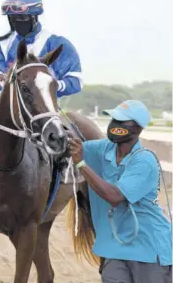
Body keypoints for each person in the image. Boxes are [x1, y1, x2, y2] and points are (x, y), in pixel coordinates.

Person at [69, 100, 172, 283]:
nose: (115, 124)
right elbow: (72, 146)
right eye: (114, 119)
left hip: (148, 248)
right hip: (114, 247)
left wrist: (81, 164)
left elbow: (115, 197)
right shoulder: (104, 148)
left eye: (121, 121)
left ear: (138, 128)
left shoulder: (144, 161)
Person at [0, 0, 83, 142]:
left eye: (22, 18)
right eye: (13, 18)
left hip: (46, 107)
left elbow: (76, 81)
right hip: (7, 106)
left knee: (67, 139)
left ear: (34, 17)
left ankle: (65, 165)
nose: (17, 22)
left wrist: (51, 86)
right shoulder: (3, 45)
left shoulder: (56, 43)